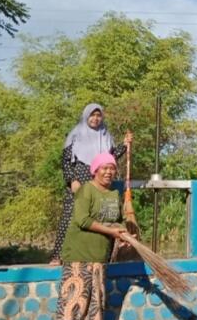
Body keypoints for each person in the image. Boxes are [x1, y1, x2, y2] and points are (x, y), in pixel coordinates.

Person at [56, 152, 132, 320]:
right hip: (79, 251)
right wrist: (111, 231)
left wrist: (122, 234)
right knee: (76, 293)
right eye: (104, 168)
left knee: (96, 296)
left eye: (112, 168)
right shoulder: (86, 190)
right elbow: (82, 220)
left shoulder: (114, 193)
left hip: (100, 253)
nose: (108, 172)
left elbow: (118, 219)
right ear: (95, 170)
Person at [50, 103, 134, 264]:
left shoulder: (105, 135)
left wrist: (125, 144)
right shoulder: (76, 134)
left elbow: (111, 157)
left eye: (98, 115)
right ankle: (58, 255)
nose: (95, 119)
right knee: (70, 215)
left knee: (101, 214)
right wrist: (71, 180)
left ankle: (102, 254)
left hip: (99, 177)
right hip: (79, 176)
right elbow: (66, 160)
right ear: (86, 116)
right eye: (92, 115)